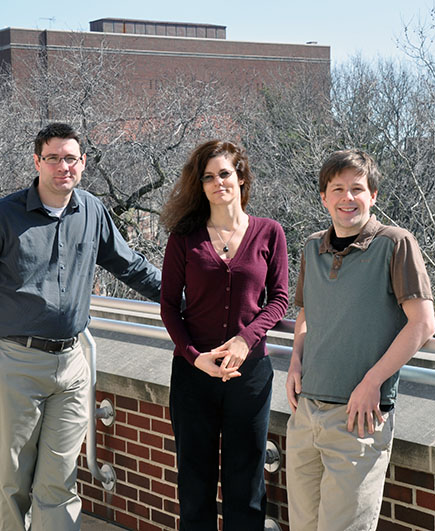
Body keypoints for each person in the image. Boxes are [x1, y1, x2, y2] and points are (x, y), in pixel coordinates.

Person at [0, 123, 161, 531]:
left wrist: (187, 301)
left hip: (72, 366)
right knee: (13, 484)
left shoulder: (92, 211)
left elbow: (131, 266)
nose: (63, 166)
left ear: (82, 163)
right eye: (53, 158)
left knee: (60, 482)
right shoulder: (1, 217)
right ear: (37, 162)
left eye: (71, 158)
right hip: (16, 364)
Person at [285, 149, 435, 531]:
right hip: (306, 413)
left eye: (357, 188)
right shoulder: (311, 246)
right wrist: (295, 360)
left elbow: (422, 324)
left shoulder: (396, 244)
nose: (346, 198)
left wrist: (373, 382)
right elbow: (307, 314)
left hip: (359, 419)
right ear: (323, 197)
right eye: (337, 189)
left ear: (373, 195)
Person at [159, 140, 289, 530]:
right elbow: (168, 305)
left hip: (249, 378)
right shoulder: (184, 237)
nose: (218, 183)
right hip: (193, 376)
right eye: (209, 177)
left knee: (246, 483)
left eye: (225, 174)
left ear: (241, 176)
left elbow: (280, 298)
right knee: (194, 485)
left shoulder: (270, 233)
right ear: (199, 185)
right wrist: (195, 355)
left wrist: (245, 339)